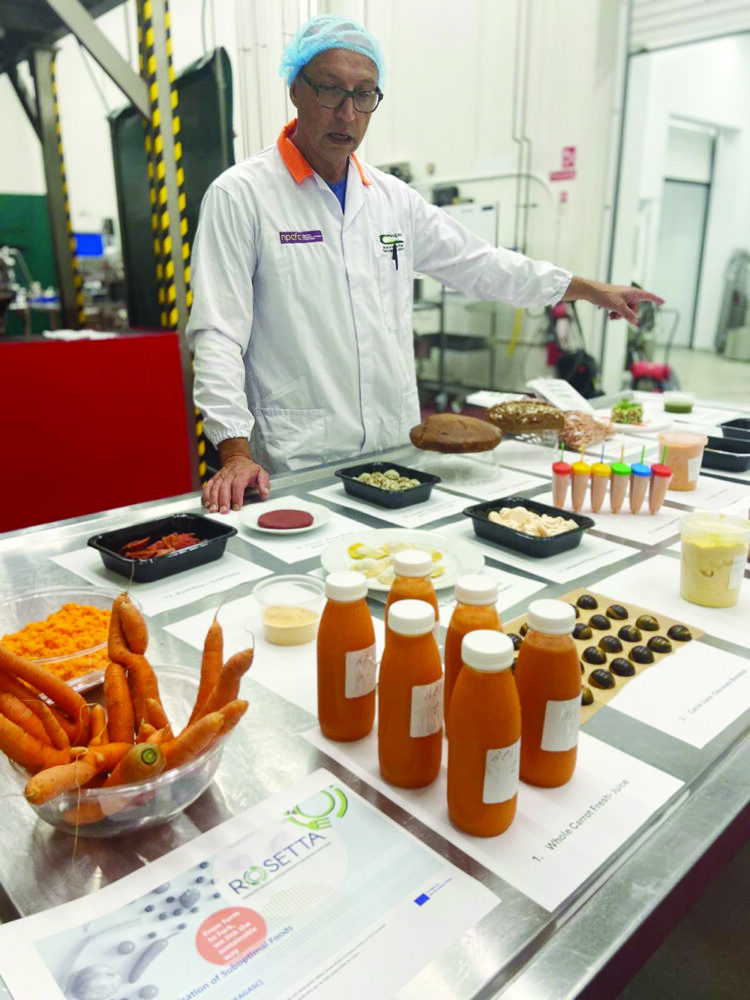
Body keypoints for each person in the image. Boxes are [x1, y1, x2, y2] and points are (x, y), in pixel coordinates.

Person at [187, 14, 662, 514]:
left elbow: (483, 264)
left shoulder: (393, 199)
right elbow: (218, 334)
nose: (347, 113)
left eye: (365, 94)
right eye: (330, 90)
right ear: (295, 89)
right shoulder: (242, 196)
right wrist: (234, 451)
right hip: (299, 458)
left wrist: (584, 289)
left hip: (398, 454)